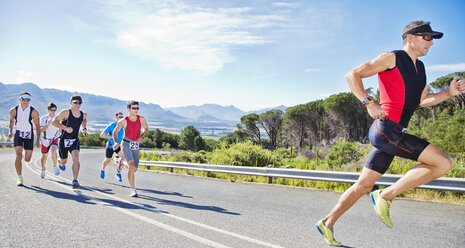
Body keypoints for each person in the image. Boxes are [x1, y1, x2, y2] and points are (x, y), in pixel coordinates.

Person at [316, 21, 465, 246]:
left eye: (432, 38)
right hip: (386, 129)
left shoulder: (421, 68)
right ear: (410, 38)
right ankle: (385, 195)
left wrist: (448, 92)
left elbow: (424, 100)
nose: (431, 42)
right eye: (427, 37)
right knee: (443, 164)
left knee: (363, 186)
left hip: (393, 133)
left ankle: (327, 223)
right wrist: (369, 103)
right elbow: (352, 75)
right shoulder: (392, 58)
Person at [113, 100, 148, 197]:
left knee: (134, 169)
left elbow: (146, 128)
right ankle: (133, 190)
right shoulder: (123, 121)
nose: (136, 110)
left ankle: (122, 162)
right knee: (131, 165)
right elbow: (115, 132)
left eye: (137, 108)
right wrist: (116, 142)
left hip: (135, 144)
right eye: (134, 108)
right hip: (126, 144)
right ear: (129, 109)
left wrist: (142, 136)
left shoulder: (141, 119)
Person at [52, 95, 88, 189]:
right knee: (64, 161)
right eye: (75, 102)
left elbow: (84, 120)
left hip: (74, 140)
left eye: (79, 103)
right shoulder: (65, 113)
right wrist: (65, 128)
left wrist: (84, 129)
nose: (77, 105)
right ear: (71, 103)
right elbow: (53, 122)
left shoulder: (83, 114)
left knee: (76, 157)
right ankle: (60, 162)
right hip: (64, 140)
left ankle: (75, 180)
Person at [8, 91, 41, 186]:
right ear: (20, 99)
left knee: (27, 159)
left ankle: (24, 153)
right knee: (19, 156)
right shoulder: (13, 110)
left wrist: (38, 139)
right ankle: (20, 177)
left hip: (29, 135)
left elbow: (38, 126)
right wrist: (10, 131)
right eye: (24, 100)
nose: (26, 102)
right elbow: (11, 121)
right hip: (18, 133)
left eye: (28, 100)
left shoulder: (33, 112)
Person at [100, 111, 125, 182]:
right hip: (111, 145)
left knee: (123, 158)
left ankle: (118, 173)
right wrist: (112, 136)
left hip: (119, 146)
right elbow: (102, 135)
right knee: (108, 160)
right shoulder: (111, 126)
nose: (121, 118)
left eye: (122, 117)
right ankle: (103, 169)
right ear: (116, 117)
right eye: (120, 117)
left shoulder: (123, 126)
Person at [39, 102, 61, 178]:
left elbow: (61, 127)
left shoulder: (58, 119)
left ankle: (55, 166)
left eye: (55, 110)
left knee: (53, 151)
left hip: (54, 138)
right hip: (45, 139)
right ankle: (42, 169)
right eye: (51, 110)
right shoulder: (43, 118)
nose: (53, 111)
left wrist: (60, 130)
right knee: (44, 156)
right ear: (48, 110)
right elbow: (41, 130)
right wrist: (47, 125)